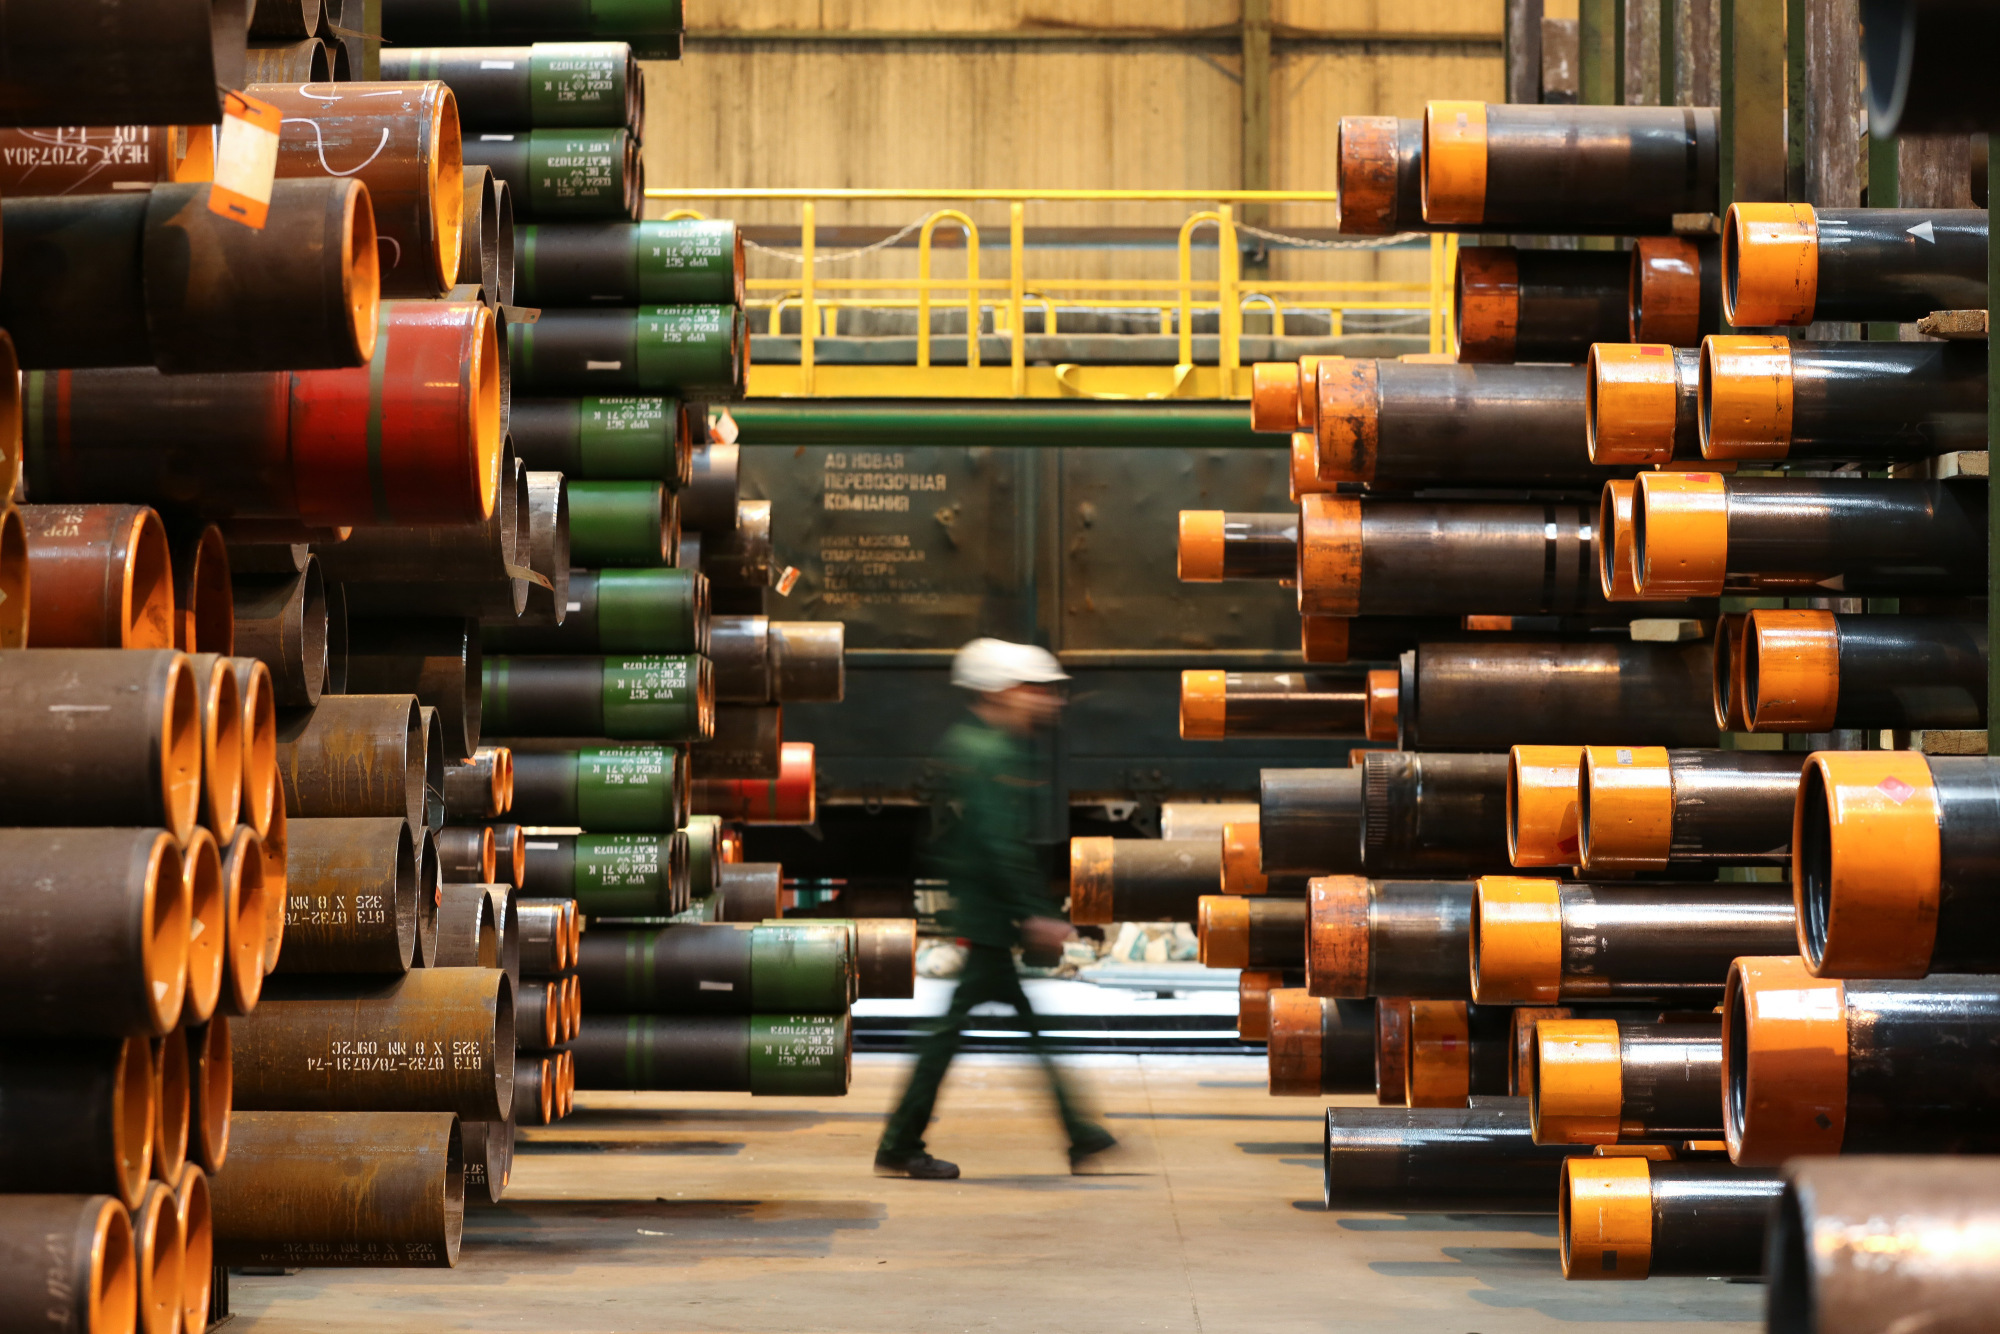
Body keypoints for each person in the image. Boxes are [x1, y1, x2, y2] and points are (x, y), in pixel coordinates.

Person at [875, 638, 1118, 1180]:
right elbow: (996, 842)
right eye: (1036, 690)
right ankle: (899, 1144)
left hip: (986, 914)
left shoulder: (984, 746)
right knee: (962, 1035)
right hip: (987, 917)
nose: (1049, 702)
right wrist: (1034, 911)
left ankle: (1080, 1133)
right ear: (1004, 692)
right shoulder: (987, 753)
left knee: (999, 1030)